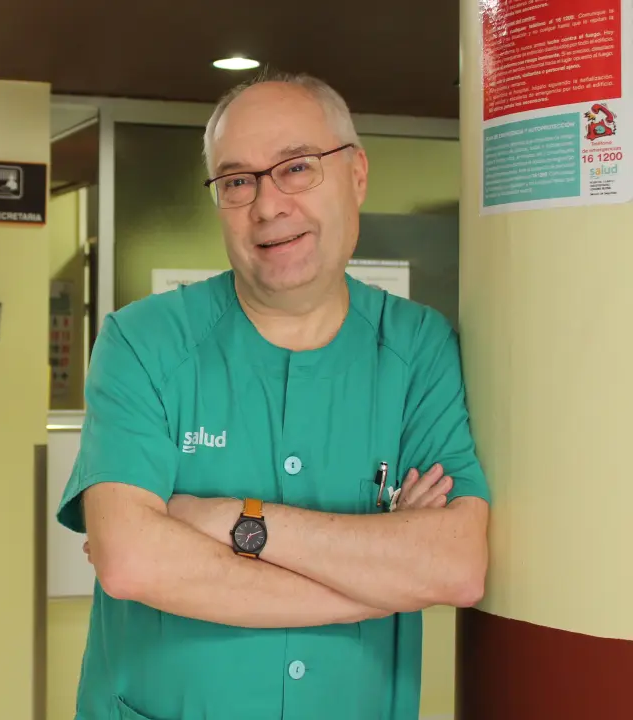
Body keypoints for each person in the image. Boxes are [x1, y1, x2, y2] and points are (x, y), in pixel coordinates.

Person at [55, 70, 491, 720]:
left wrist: (225, 520)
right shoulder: (143, 342)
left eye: (297, 168)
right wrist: (377, 584)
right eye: (237, 181)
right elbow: (131, 562)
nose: (267, 206)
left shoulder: (418, 349)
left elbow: (454, 565)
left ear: (357, 175)